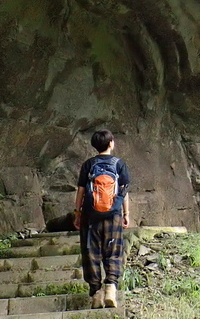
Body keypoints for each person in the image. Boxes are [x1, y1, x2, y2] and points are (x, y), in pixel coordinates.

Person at [73, 130, 131, 309]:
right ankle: (111, 288)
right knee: (113, 251)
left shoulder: (88, 165)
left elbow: (81, 191)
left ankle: (96, 293)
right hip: (113, 215)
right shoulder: (119, 164)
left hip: (90, 216)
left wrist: (77, 213)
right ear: (111, 143)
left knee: (91, 252)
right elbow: (124, 191)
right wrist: (126, 214)